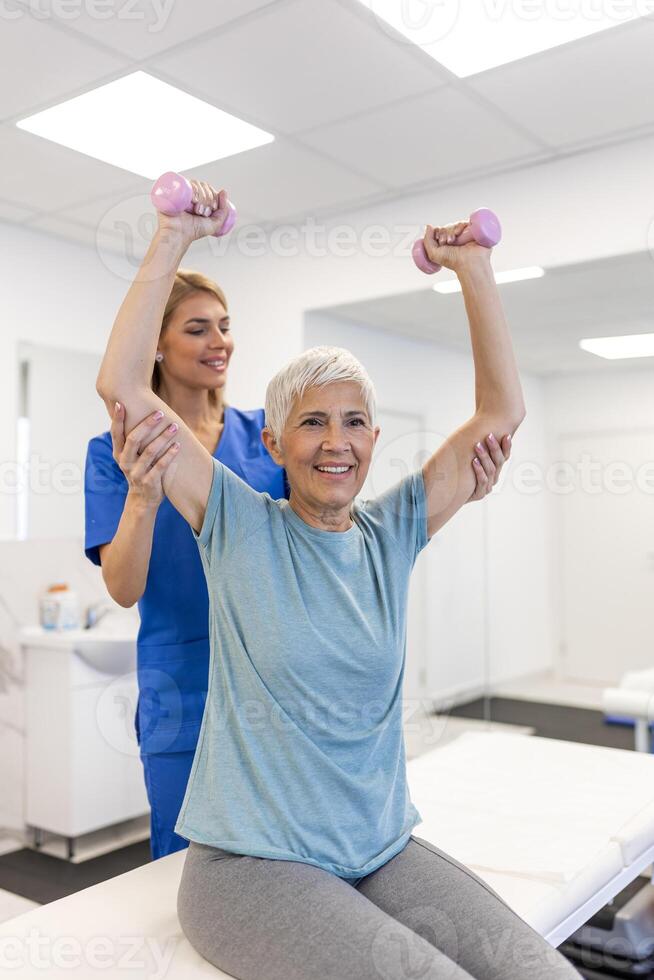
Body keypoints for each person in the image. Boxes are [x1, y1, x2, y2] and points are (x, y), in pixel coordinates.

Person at [96, 181, 578, 979]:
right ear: (276, 442)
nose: (337, 442)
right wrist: (174, 236)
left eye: (354, 421)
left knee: (541, 970)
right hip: (250, 868)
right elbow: (124, 387)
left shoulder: (392, 533)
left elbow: (500, 415)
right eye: (313, 422)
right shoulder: (239, 523)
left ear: (375, 438)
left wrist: (473, 270)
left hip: (376, 849)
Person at [84, 260, 289, 860]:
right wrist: (143, 496)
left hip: (269, 679)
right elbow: (123, 587)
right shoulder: (114, 452)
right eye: (198, 328)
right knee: (182, 865)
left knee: (275, 857)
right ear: (155, 344)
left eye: (224, 326)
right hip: (180, 688)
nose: (220, 342)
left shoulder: (266, 437)